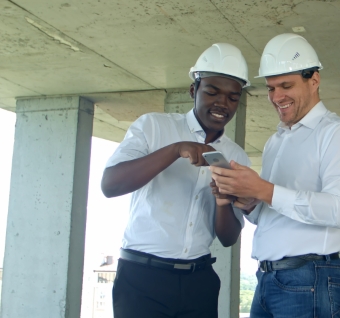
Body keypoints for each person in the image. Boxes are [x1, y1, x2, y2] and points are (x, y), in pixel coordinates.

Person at [210, 33, 340, 318]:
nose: (277, 97)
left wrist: (265, 190)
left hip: (308, 278)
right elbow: (269, 215)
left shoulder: (337, 134)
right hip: (268, 278)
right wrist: (247, 200)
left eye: (286, 86)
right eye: (271, 88)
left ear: (314, 80)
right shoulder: (277, 141)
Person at [101, 43, 251, 318]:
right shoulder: (153, 126)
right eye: (212, 92)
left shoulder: (236, 156)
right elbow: (110, 185)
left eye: (232, 97)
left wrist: (222, 201)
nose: (222, 104)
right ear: (194, 90)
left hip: (199, 282)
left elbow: (228, 238)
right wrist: (174, 150)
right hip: (141, 281)